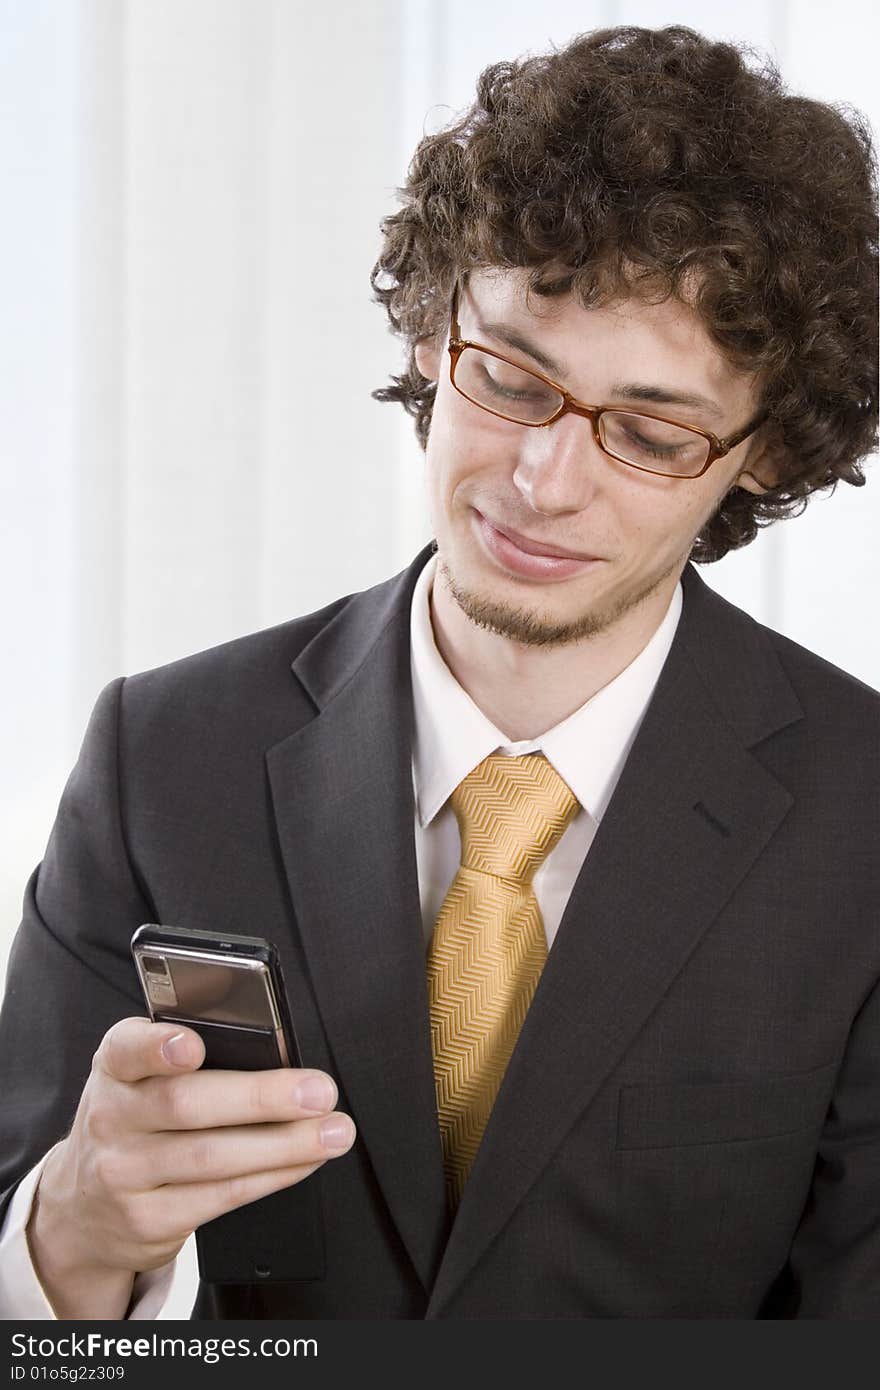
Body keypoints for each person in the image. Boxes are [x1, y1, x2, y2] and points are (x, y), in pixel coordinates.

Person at [0, 24, 878, 1321]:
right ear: (430, 332)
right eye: (512, 379)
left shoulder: (863, 818)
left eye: (646, 431)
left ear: (761, 452)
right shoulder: (164, 753)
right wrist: (70, 1235)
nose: (543, 480)